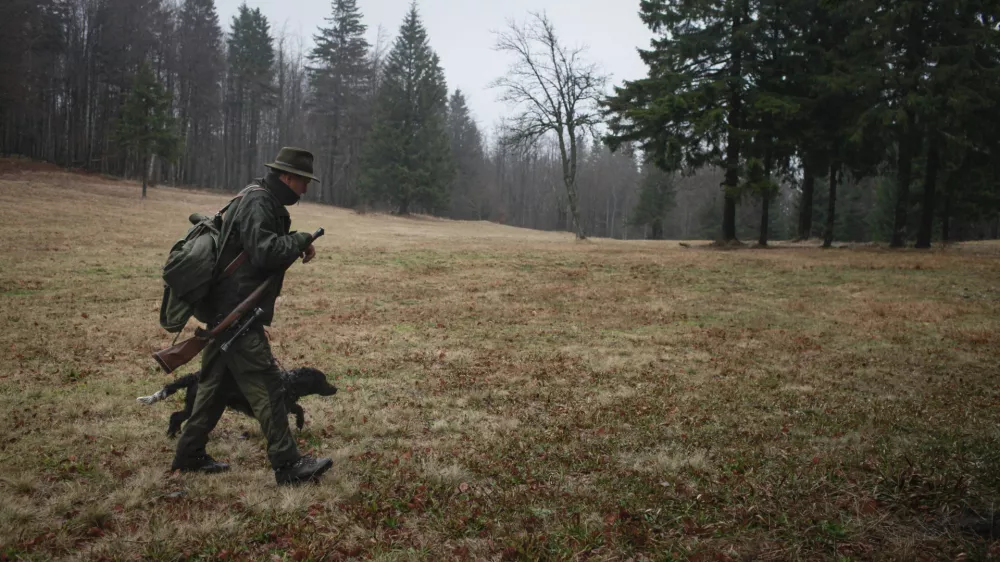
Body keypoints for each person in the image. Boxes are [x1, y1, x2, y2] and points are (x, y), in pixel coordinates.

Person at [170, 147, 333, 485]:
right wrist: (300, 238)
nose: (305, 189)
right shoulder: (259, 203)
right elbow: (264, 253)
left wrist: (294, 241)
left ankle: (189, 454)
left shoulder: (259, 198)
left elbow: (260, 245)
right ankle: (288, 465)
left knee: (214, 388)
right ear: (287, 177)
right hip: (237, 312)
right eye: (303, 182)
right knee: (269, 386)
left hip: (227, 309)